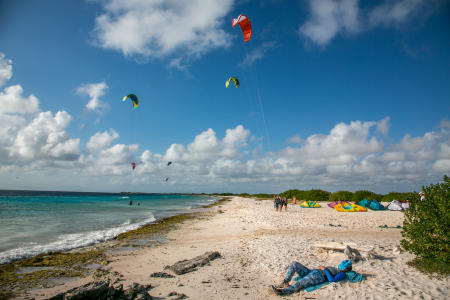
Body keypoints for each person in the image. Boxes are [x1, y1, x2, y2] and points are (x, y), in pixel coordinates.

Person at [272, 260, 353, 295]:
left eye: (342, 267)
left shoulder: (342, 274)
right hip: (313, 272)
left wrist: (325, 269)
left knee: (301, 282)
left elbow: (332, 280)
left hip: (319, 277)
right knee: (294, 264)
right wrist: (319, 268)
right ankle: (285, 282)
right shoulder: (339, 269)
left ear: (345, 269)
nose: (340, 267)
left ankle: (283, 292)